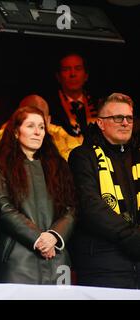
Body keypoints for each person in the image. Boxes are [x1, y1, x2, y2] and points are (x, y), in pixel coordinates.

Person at [0, 106, 75, 284]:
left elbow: (72, 207)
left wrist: (53, 236)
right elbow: (3, 206)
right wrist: (38, 238)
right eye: (30, 126)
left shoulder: (58, 166)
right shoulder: (1, 165)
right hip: (18, 259)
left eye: (41, 127)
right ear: (15, 132)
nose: (37, 132)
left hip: (57, 257)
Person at [68, 93, 140, 289]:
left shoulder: (137, 155)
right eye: (118, 117)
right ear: (100, 123)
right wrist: (131, 237)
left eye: (129, 118)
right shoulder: (83, 156)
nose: (125, 123)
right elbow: (89, 205)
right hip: (102, 263)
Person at [0, 95, 82, 160]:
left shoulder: (61, 135)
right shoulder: (5, 135)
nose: (37, 132)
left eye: (41, 125)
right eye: (30, 125)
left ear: (48, 120)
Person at [47, 52, 98, 138]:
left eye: (78, 68)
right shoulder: (50, 107)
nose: (73, 74)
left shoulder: (98, 104)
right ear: (58, 76)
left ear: (86, 75)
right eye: (66, 69)